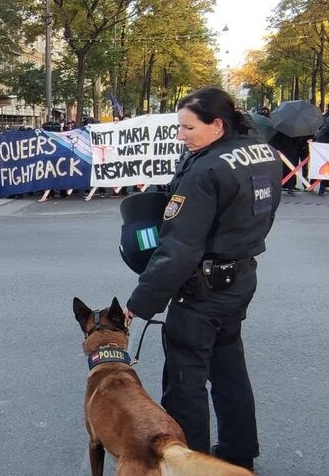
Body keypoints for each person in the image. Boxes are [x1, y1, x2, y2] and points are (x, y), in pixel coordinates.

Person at [123, 87, 280, 471]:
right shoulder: (262, 152)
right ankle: (239, 455)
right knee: (229, 371)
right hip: (240, 277)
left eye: (188, 128)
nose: (181, 135)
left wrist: (139, 304)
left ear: (217, 125)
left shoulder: (206, 169)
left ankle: (191, 465)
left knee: (185, 381)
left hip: (202, 289)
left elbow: (179, 248)